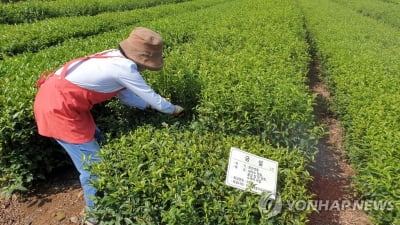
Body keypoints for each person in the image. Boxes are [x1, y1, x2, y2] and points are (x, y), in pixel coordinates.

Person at [33, 27, 184, 225]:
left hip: (66, 102)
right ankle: (94, 216)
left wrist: (146, 105)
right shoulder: (125, 69)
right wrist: (174, 109)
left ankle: (109, 177)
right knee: (92, 165)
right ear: (142, 60)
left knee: (99, 139)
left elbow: (126, 95)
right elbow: (155, 99)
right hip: (59, 110)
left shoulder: (113, 57)